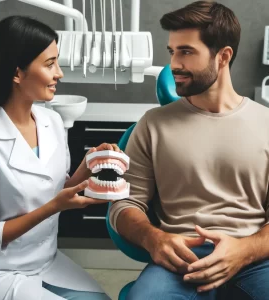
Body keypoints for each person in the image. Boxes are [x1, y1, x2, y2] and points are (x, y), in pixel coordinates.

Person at [109, 1, 269, 299]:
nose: (173, 64)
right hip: (180, 259)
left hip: (255, 259)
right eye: (172, 51)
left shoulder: (267, 124)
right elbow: (124, 205)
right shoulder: (153, 125)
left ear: (223, 56)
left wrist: (245, 250)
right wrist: (153, 238)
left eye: (186, 52)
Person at [0, 16, 116, 300]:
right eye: (49, 64)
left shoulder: (52, 122)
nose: (59, 73)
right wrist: (54, 207)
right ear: (17, 74)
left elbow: (52, 188)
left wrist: (87, 166)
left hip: (45, 260)